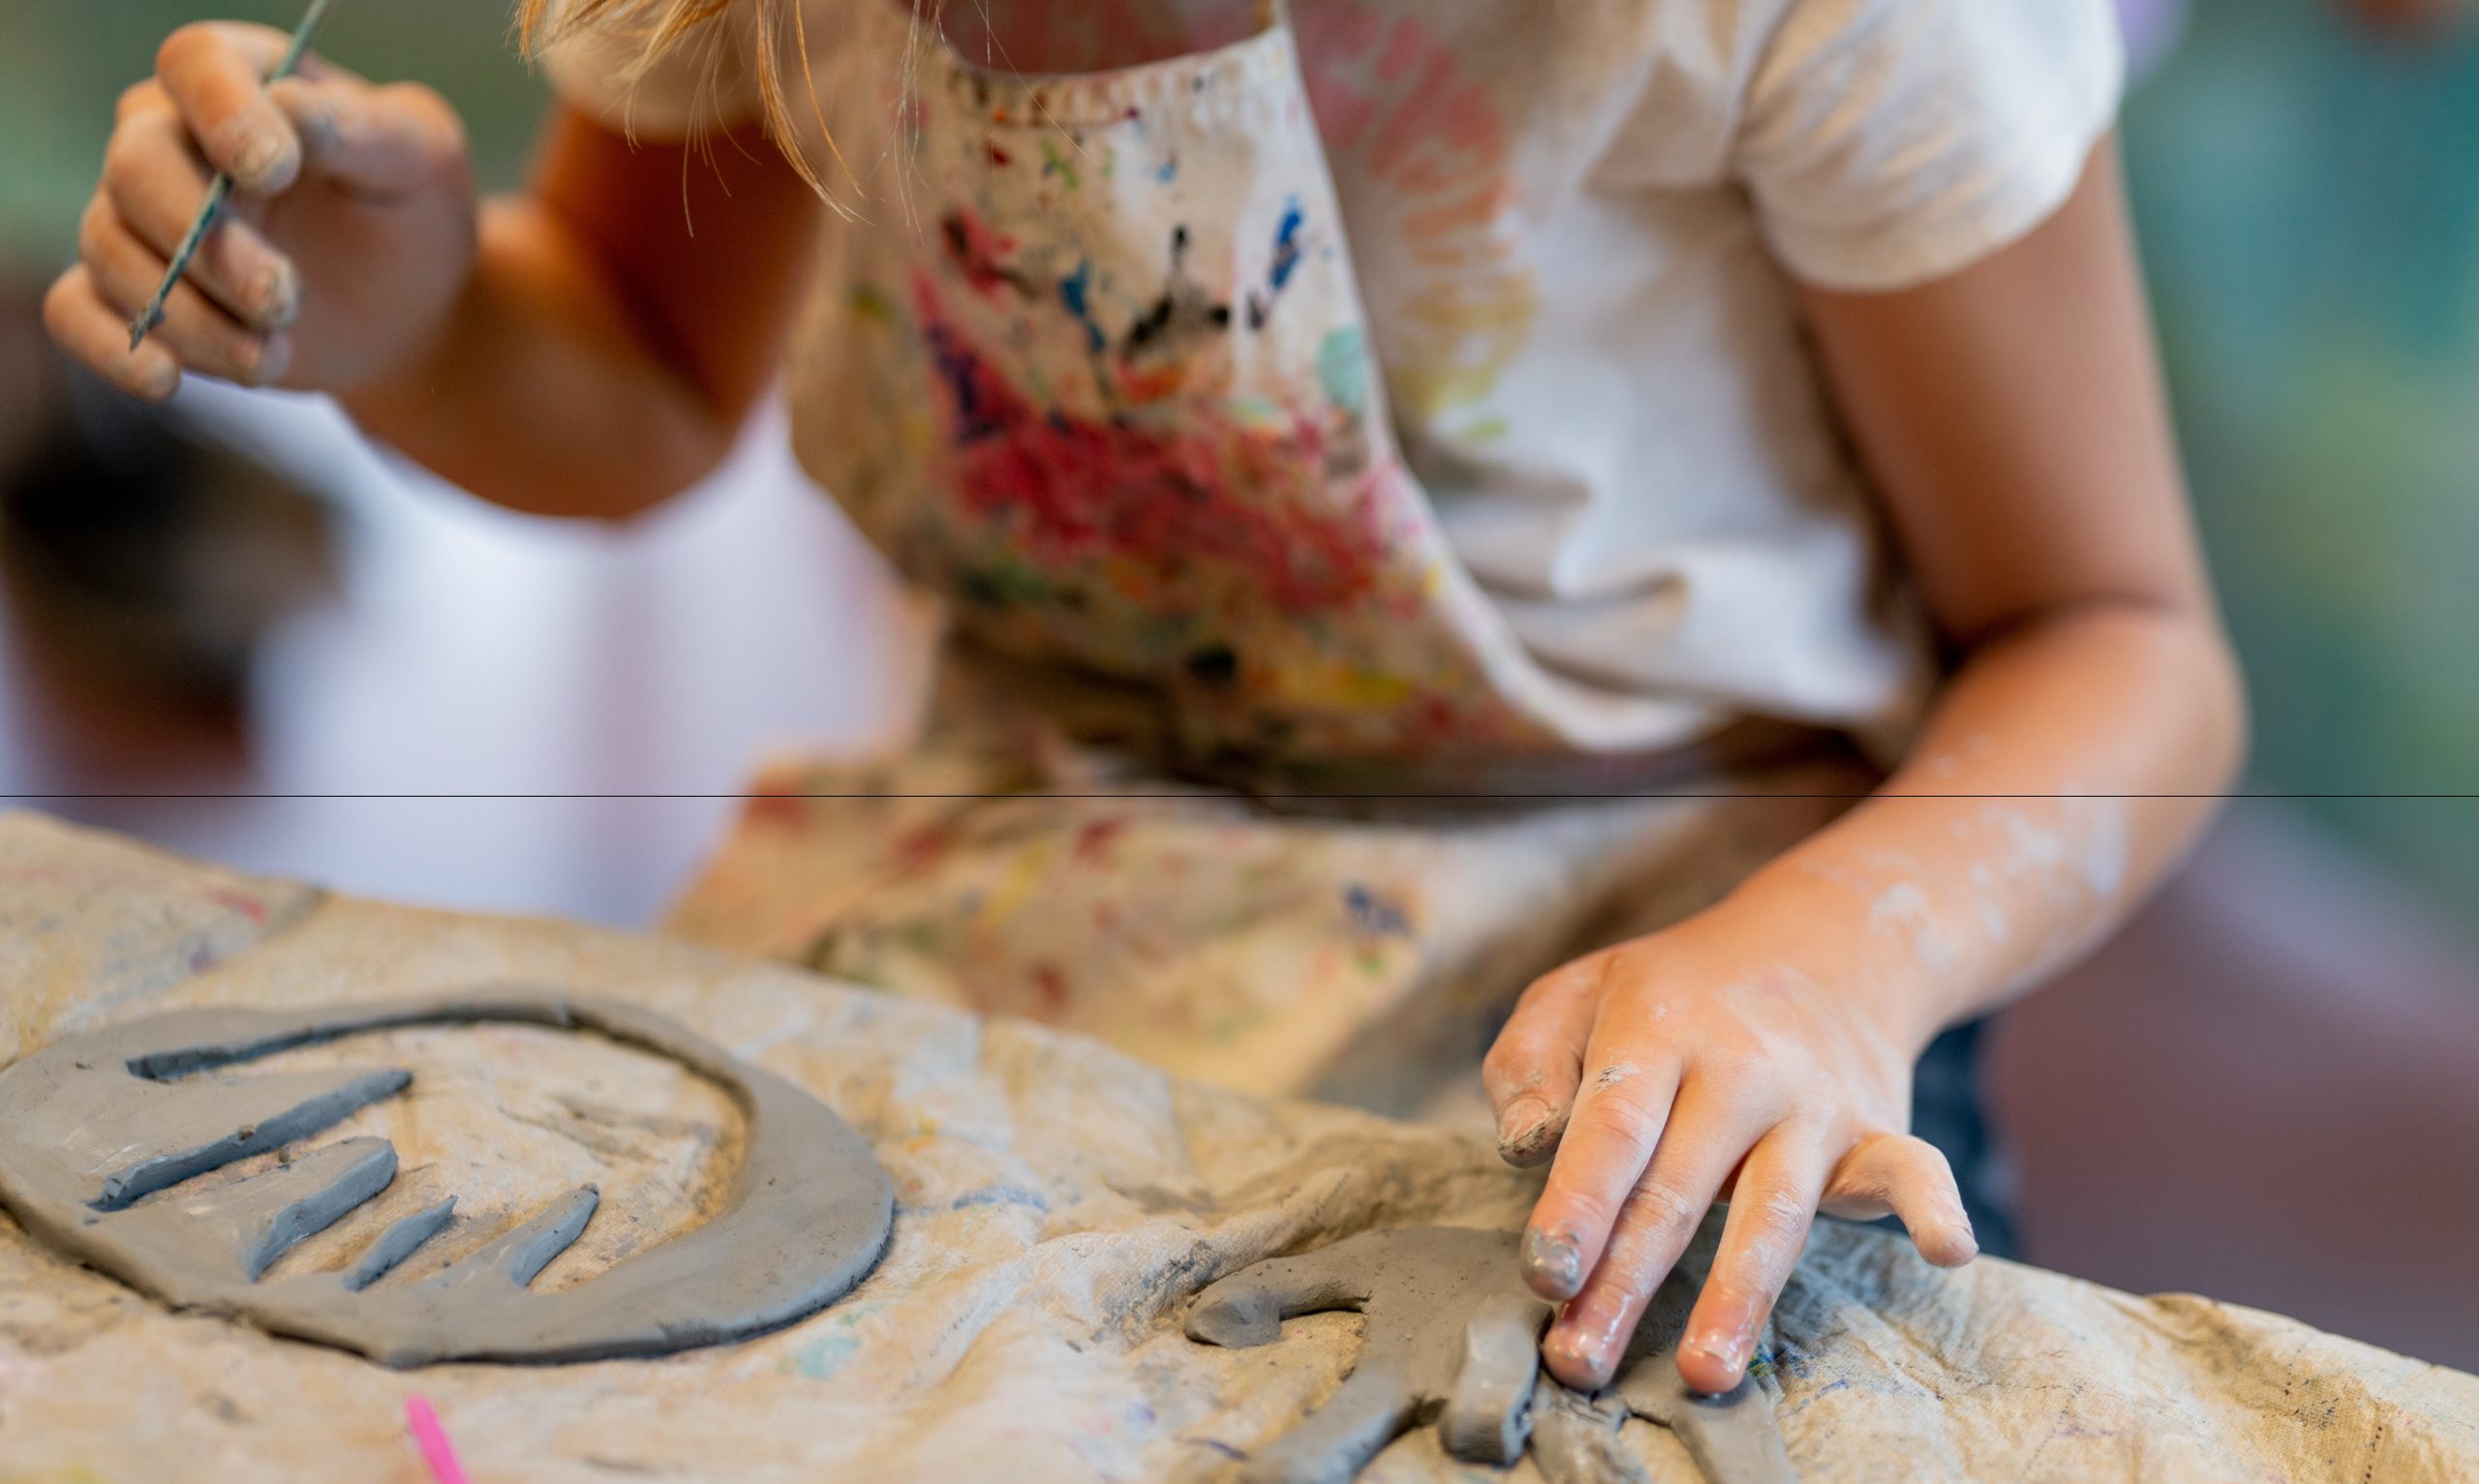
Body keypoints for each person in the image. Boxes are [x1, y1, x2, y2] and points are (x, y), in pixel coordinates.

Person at [44, 0, 2244, 1400]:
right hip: (1018, 857)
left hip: (1676, 947)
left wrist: (1822, 970)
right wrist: (416, 318)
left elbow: (2113, 638)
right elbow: (630, 361)